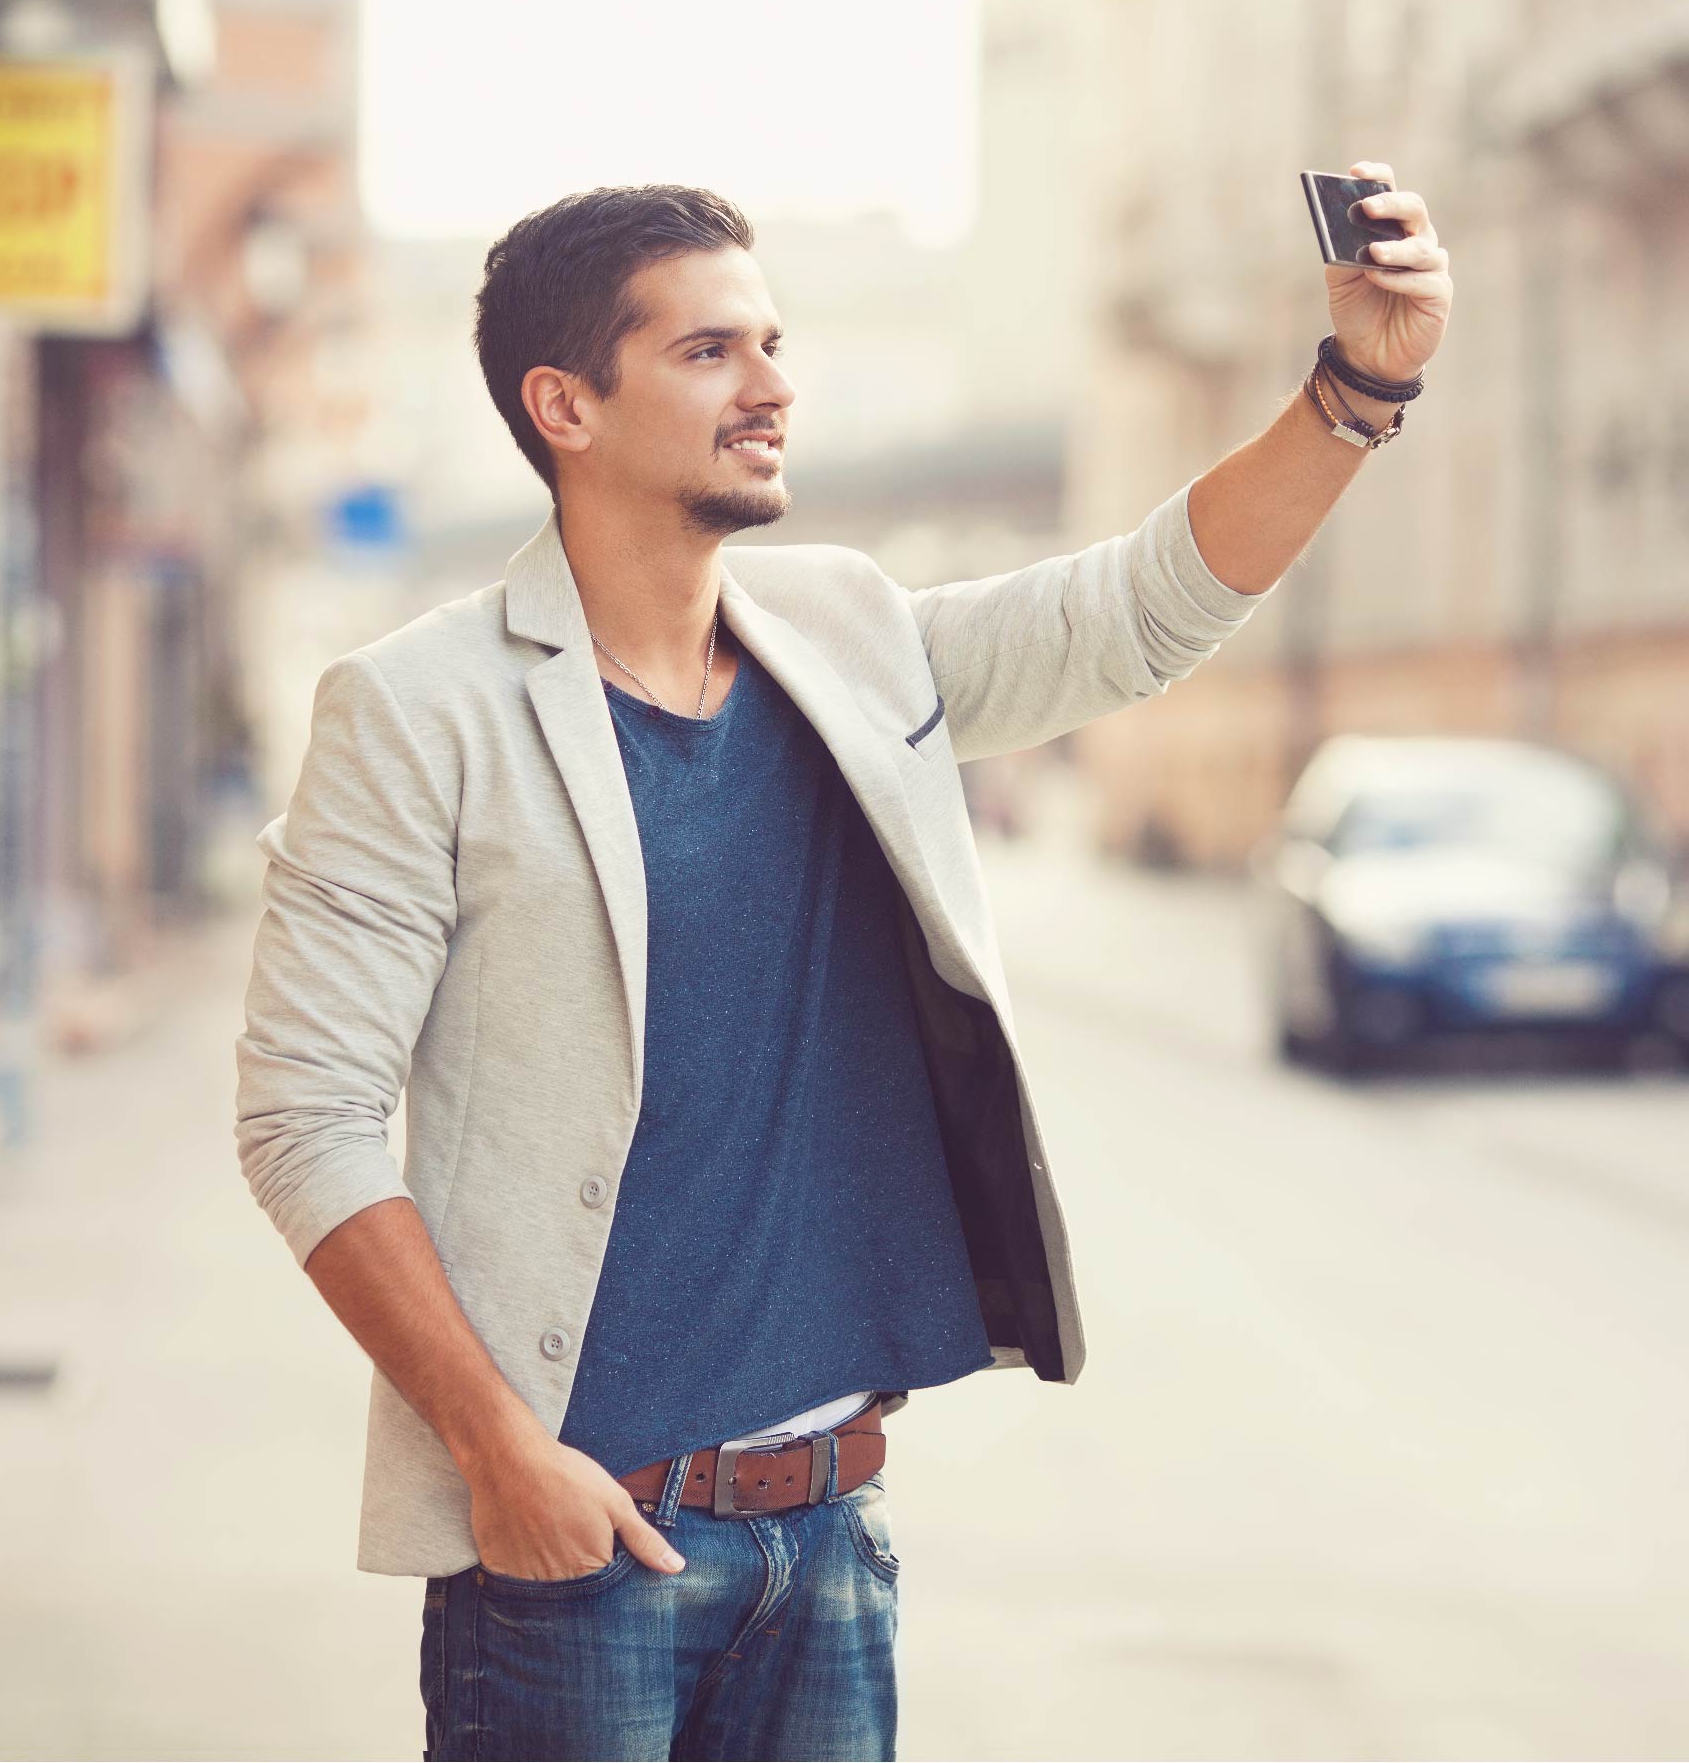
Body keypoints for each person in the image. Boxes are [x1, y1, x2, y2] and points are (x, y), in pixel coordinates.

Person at [233, 164, 1452, 1761]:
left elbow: (1140, 610)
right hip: (582, 1540)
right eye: (710, 353)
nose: (776, 388)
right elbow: (303, 1122)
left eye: (775, 343)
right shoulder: (418, 710)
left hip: (830, 1529)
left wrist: (1359, 386)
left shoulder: (849, 634)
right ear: (565, 406)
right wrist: (499, 1455)